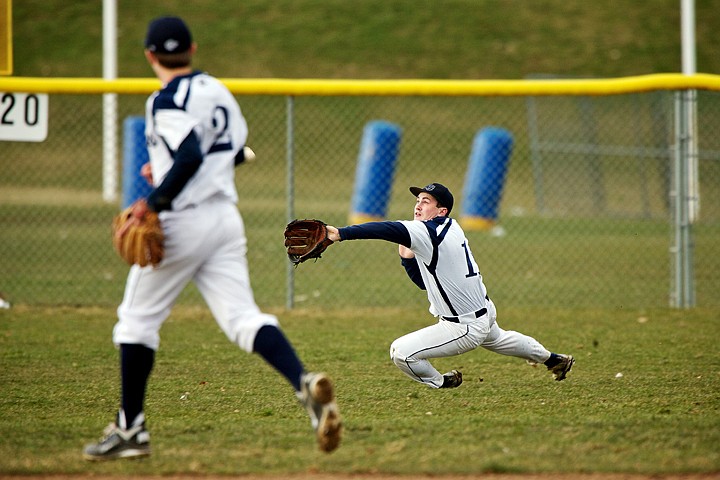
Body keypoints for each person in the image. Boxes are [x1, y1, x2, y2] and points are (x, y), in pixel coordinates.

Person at [83, 16, 341, 460]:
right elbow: (232, 152)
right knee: (242, 317)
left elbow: (189, 155)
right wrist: (165, 171)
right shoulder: (216, 91)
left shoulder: (165, 100)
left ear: (149, 55)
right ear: (193, 49)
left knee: (135, 322)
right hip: (224, 219)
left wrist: (154, 201)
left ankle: (130, 430)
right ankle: (302, 383)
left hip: (183, 221)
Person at [326, 182, 574, 389]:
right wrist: (407, 260)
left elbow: (386, 228)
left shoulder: (427, 233)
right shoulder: (451, 227)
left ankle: (443, 382)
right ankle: (554, 359)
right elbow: (426, 284)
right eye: (418, 199)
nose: (418, 204)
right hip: (484, 312)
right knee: (501, 339)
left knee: (401, 352)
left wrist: (341, 233)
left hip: (463, 326)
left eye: (426, 201)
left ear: (441, 211)